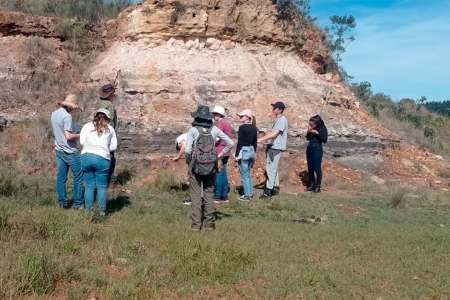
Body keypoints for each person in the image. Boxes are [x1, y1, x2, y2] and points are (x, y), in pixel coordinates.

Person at [185, 105, 234, 231]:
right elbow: (231, 143)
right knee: (209, 194)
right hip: (211, 165)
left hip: (196, 165)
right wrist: (219, 155)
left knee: (196, 195)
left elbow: (188, 150)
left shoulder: (193, 130)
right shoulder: (215, 129)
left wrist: (189, 161)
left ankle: (196, 225)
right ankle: (210, 224)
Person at [80, 108, 118, 216]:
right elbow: (114, 146)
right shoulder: (110, 129)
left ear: (95, 116)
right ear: (107, 118)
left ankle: (89, 211)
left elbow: (82, 142)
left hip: (86, 156)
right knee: (102, 186)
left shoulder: (86, 126)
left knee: (89, 186)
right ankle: (101, 212)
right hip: (102, 158)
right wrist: (105, 148)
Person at [50, 94, 84, 209]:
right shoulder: (67, 116)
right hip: (70, 151)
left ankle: (62, 203)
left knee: (61, 177)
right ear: (70, 107)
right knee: (79, 176)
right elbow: (68, 136)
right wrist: (81, 134)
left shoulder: (54, 114)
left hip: (59, 149)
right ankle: (78, 204)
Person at [257, 102, 289, 199]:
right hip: (273, 146)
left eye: (275, 108)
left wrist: (261, 139)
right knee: (273, 168)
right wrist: (263, 138)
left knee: (271, 169)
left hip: (276, 147)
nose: (273, 109)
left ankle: (268, 190)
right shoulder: (278, 120)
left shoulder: (282, 120)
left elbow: (274, 134)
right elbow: (271, 134)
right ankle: (275, 187)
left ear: (280, 110)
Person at [96, 83, 118, 187]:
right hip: (107, 134)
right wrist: (111, 136)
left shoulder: (100, 101)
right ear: (110, 94)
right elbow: (111, 123)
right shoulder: (110, 106)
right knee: (111, 158)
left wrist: (114, 79)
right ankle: (110, 181)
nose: (115, 94)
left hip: (98, 132)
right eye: (113, 92)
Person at [211, 106, 232, 204]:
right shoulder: (227, 123)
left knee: (218, 174)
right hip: (226, 151)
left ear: (219, 114)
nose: (214, 115)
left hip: (220, 151)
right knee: (223, 173)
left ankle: (217, 197)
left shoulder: (220, 124)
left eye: (215, 114)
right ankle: (224, 196)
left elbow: (217, 138)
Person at [235, 109, 258, 201]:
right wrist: (254, 154)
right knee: (248, 173)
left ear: (247, 117)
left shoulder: (242, 128)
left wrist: (237, 155)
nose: (240, 117)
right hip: (251, 150)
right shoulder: (254, 128)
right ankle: (250, 192)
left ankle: (247, 195)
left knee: (244, 174)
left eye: (242, 116)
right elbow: (255, 142)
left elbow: (240, 142)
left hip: (244, 151)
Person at [305, 115, 328, 193]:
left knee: (317, 168)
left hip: (317, 148)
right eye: (310, 124)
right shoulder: (312, 128)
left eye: (312, 124)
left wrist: (317, 133)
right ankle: (312, 184)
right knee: (310, 167)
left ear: (316, 123)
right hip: (310, 147)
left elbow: (324, 140)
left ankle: (318, 186)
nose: (311, 126)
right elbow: (308, 138)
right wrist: (308, 132)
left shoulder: (322, 128)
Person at [172, 132, 191, 205]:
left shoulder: (179, 139)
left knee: (193, 178)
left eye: (178, 148)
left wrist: (177, 157)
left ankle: (193, 199)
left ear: (178, 145)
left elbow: (183, 147)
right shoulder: (186, 137)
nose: (180, 149)